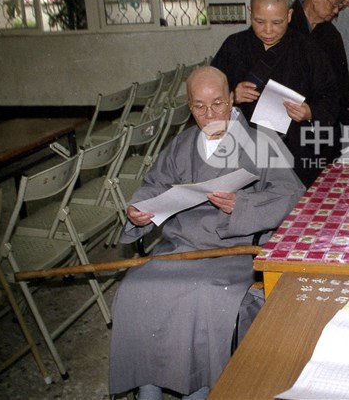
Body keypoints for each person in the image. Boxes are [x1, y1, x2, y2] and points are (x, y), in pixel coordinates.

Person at [109, 66, 305, 400]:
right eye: (199, 106)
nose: (209, 114)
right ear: (189, 106)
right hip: (181, 246)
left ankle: (199, 390)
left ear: (231, 99)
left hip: (233, 250)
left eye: (217, 103)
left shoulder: (261, 142)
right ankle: (149, 387)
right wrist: (139, 209)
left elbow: (293, 196)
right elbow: (153, 185)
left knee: (203, 298)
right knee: (135, 290)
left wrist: (242, 205)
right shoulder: (182, 143)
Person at [211, 0, 341, 187]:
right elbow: (209, 97)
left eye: (277, 22)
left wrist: (309, 112)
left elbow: (331, 97)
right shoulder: (233, 47)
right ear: (250, 13)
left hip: (294, 150)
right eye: (259, 21)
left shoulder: (308, 50)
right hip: (244, 149)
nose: (268, 31)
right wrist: (232, 96)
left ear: (289, 15)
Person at [289, 0, 349, 163]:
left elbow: (340, 78)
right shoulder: (285, 24)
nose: (337, 10)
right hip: (290, 123)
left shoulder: (331, 34)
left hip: (324, 121)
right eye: (334, 4)